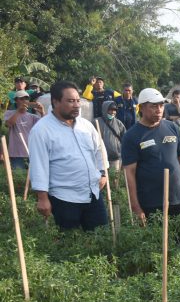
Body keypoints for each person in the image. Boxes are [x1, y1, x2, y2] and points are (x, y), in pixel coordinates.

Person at [28, 81, 108, 231]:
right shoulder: (42, 130)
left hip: (93, 194)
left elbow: (99, 149)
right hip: (64, 199)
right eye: (70, 101)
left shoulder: (86, 125)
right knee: (70, 246)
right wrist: (42, 198)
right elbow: (39, 166)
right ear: (56, 102)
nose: (77, 105)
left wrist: (102, 172)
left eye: (78, 100)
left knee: (101, 239)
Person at [121, 88, 180, 222]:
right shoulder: (132, 136)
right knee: (155, 242)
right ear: (141, 108)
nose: (159, 109)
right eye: (153, 106)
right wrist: (135, 206)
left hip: (177, 199)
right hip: (151, 204)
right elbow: (129, 173)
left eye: (161, 105)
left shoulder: (172, 127)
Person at [3, 90, 44, 169]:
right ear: (16, 100)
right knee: (18, 177)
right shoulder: (9, 113)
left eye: (26, 98)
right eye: (21, 99)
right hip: (16, 153)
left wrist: (42, 112)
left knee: (33, 178)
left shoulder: (32, 116)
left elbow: (45, 127)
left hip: (31, 152)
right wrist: (19, 111)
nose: (24, 101)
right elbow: (8, 124)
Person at [95, 101, 126, 171]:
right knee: (103, 180)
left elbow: (125, 138)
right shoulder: (96, 122)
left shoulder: (118, 123)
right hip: (101, 159)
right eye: (110, 109)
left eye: (114, 110)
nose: (113, 112)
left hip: (115, 157)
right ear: (105, 109)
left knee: (114, 179)